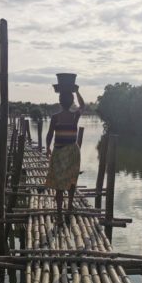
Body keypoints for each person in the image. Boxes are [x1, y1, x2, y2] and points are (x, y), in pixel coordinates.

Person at [45, 88, 85, 225]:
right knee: (72, 179)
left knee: (59, 184)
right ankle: (68, 207)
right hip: (73, 151)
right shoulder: (75, 116)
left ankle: (60, 215)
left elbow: (50, 134)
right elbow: (83, 106)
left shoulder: (55, 117)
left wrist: (47, 148)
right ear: (72, 101)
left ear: (60, 102)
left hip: (59, 152)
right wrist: (77, 91)